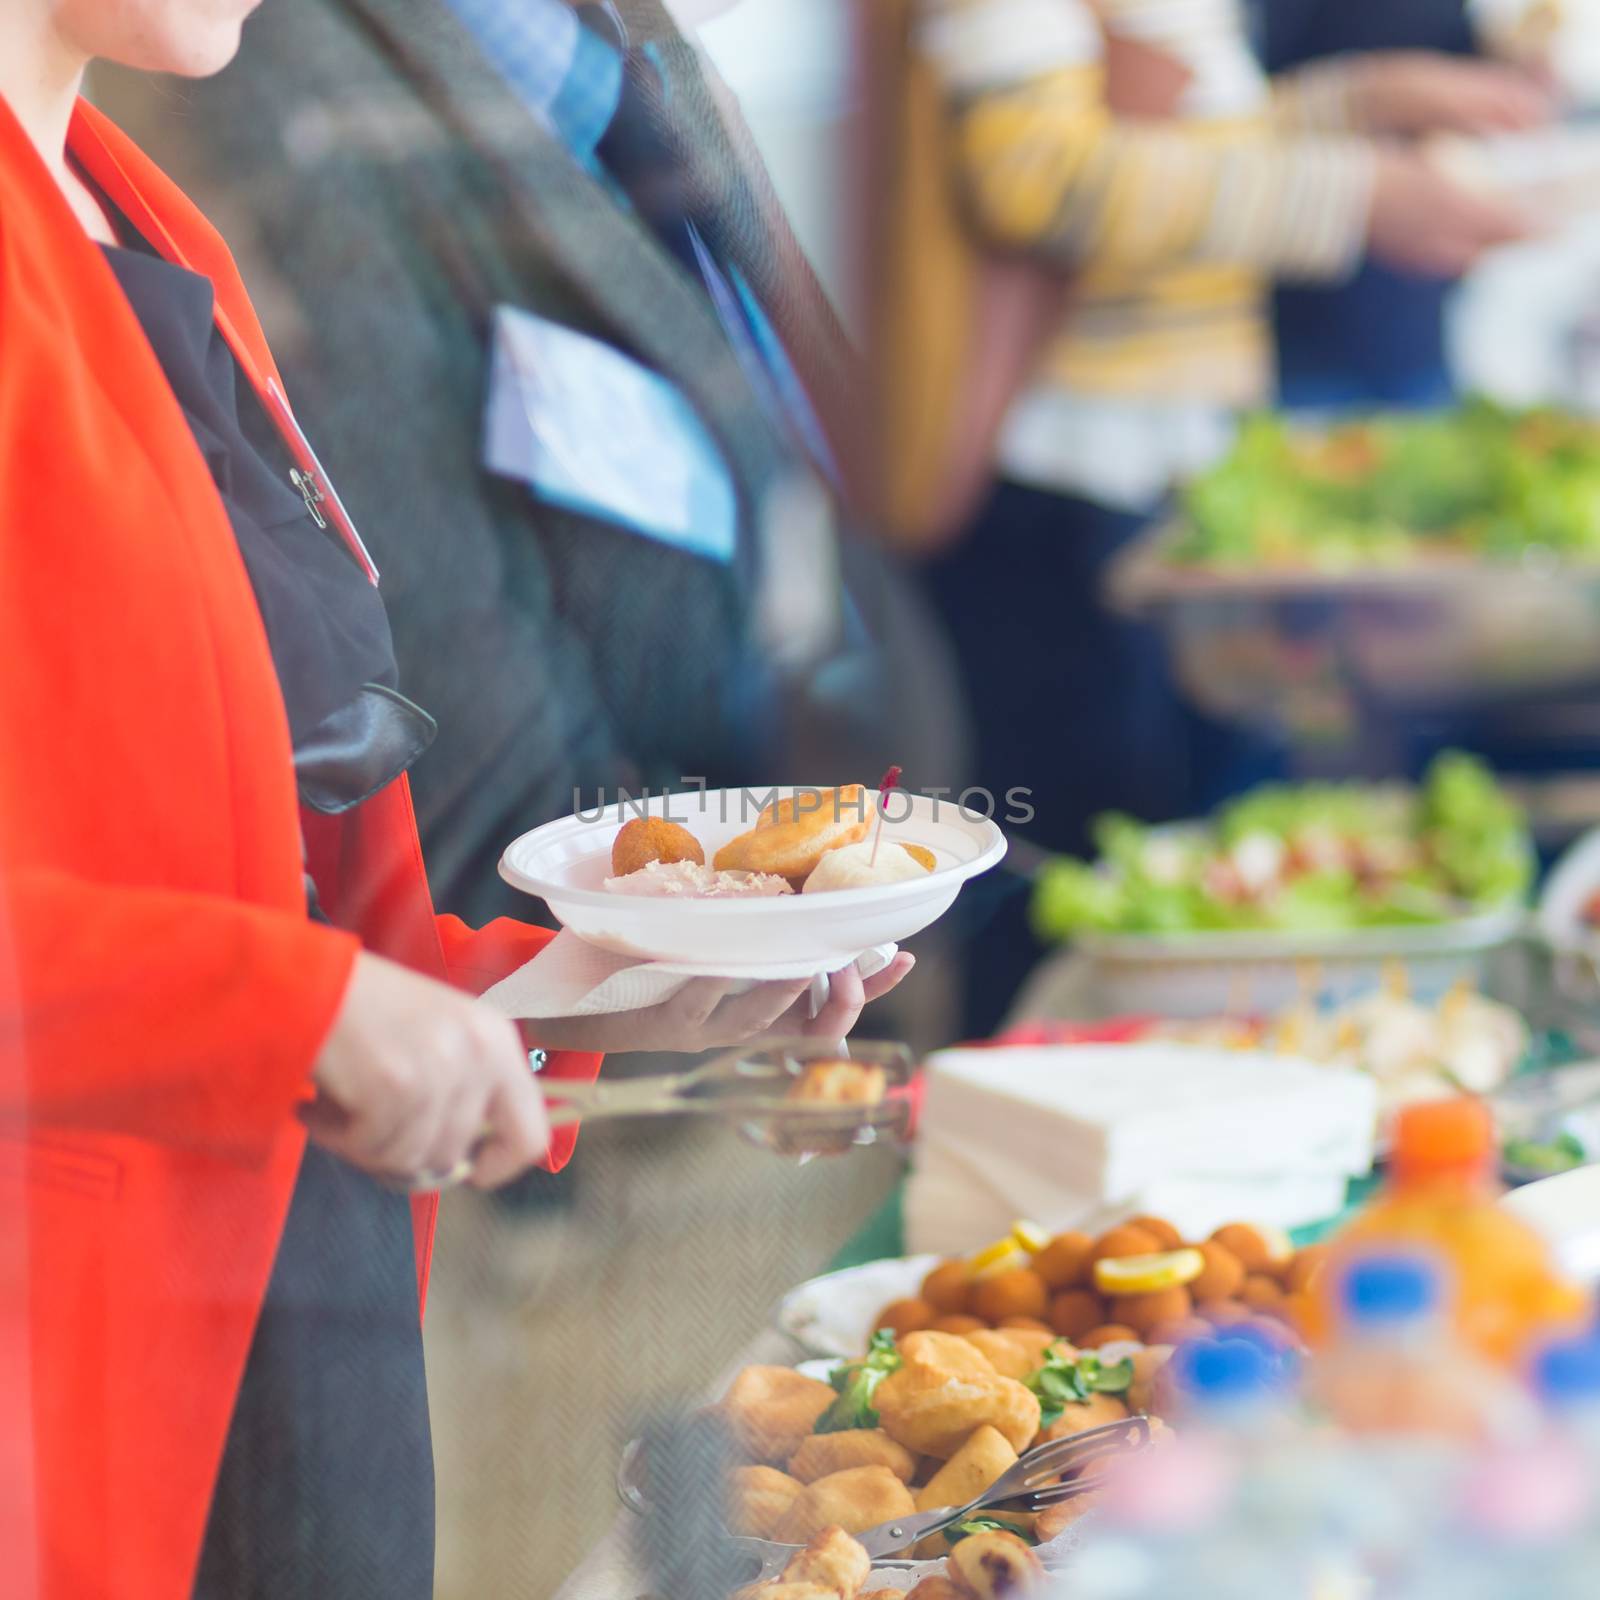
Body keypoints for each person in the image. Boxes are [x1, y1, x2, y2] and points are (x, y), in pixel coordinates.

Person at [0, 3, 911, 1596]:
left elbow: (261, 861)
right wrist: (299, 1011)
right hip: (71, 1357)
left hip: (286, 1306)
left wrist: (584, 994)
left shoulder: (130, 202)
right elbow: (257, 976)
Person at [885, 0, 1541, 1033]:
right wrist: (1359, 194)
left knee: (1166, 900)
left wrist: (1361, 105)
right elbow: (1034, 177)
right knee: (1060, 925)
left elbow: (1188, 149)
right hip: (1057, 480)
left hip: (1160, 479)